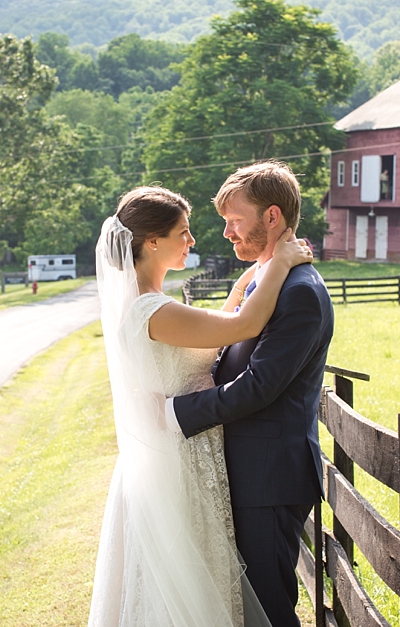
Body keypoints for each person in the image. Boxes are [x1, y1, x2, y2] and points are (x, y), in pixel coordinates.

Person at [89, 185, 313, 626]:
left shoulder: (148, 305)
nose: (192, 241)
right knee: (184, 582)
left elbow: (207, 341)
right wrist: (279, 263)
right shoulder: (152, 309)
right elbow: (245, 325)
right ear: (152, 242)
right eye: (183, 232)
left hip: (179, 451)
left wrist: (243, 283)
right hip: (178, 458)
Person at [167, 161, 335, 627]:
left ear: (273, 217)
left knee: (268, 608)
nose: (226, 233)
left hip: (269, 479)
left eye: (235, 221)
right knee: (246, 607)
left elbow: (259, 387)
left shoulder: (299, 292)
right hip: (249, 473)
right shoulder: (268, 278)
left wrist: (174, 414)